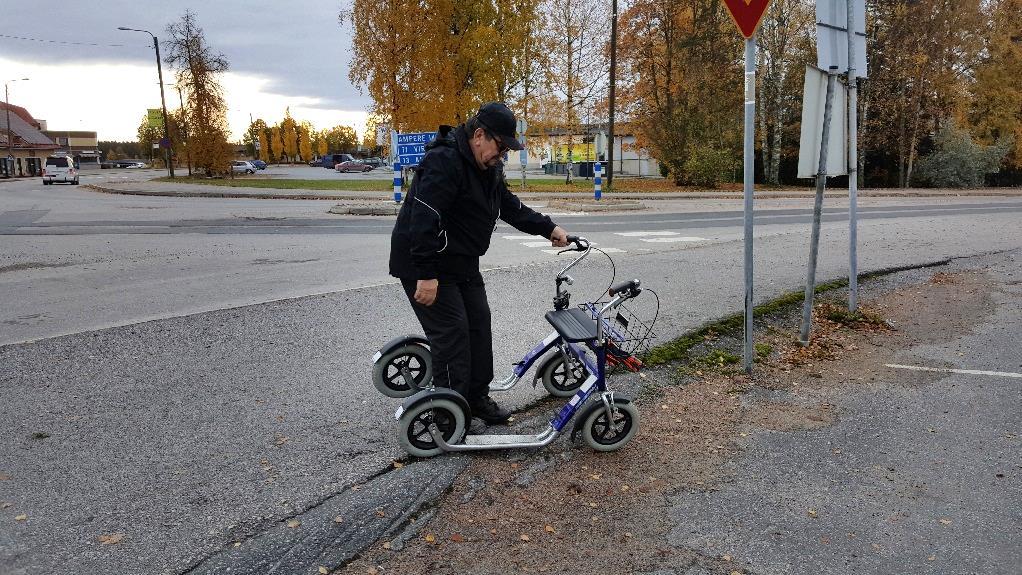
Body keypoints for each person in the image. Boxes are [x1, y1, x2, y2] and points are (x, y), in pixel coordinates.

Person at [389, 102, 569, 425]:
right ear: (479, 135)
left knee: (479, 322)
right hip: (424, 260)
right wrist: (427, 274)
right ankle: (448, 413)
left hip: (459, 260)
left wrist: (548, 228)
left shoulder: (487, 169)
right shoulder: (444, 161)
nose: (500, 156)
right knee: (453, 332)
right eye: (499, 147)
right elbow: (423, 218)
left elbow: (509, 206)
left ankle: (475, 397)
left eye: (504, 151)